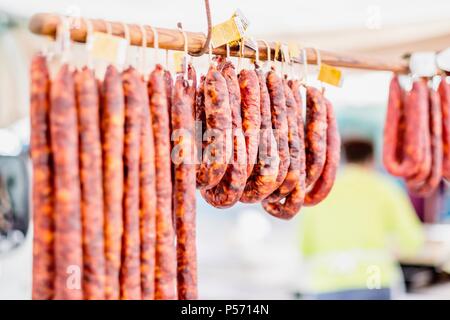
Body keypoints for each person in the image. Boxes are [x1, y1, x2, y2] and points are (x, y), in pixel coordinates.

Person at [298, 138, 424, 300]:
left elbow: (304, 246)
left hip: (327, 282)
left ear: (343, 158)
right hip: (374, 278)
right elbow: (412, 240)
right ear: (371, 159)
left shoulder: (319, 192)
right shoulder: (385, 188)